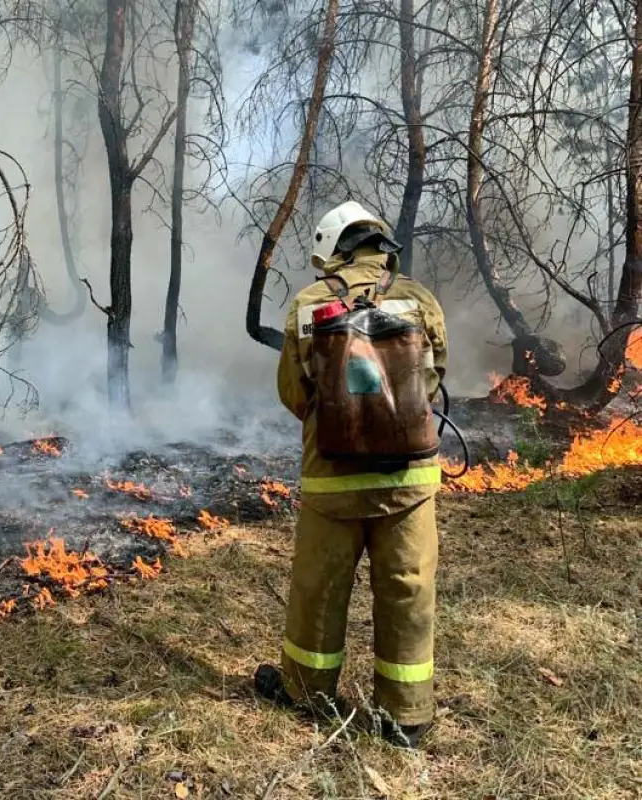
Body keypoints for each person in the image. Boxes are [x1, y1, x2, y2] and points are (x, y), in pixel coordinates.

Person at [254, 200, 448, 750]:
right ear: (380, 248)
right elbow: (432, 383)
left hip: (331, 481)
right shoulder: (420, 300)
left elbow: (295, 394)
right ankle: (405, 718)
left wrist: (346, 420)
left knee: (318, 588)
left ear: (333, 249)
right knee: (407, 588)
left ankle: (308, 694)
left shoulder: (309, 304)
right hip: (407, 484)